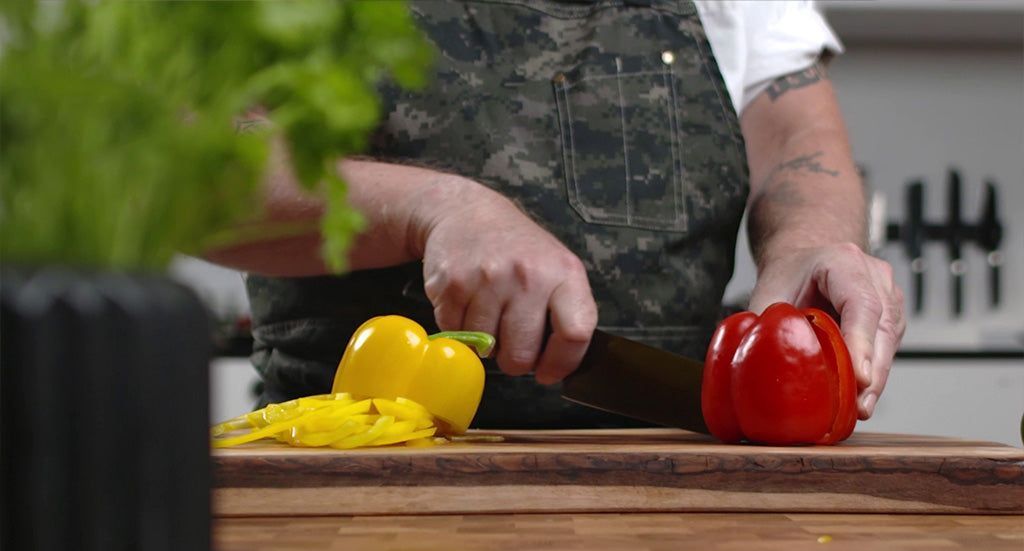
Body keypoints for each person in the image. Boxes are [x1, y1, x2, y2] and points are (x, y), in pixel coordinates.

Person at [207, 0, 905, 429]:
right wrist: (434, 208)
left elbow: (798, 144)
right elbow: (189, 172)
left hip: (678, 479)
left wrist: (810, 246)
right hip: (355, 464)